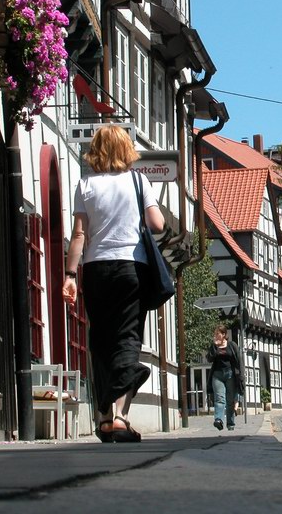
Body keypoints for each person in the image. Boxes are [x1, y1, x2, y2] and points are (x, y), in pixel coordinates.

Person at [62, 125, 165, 443]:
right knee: (128, 337)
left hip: (95, 269)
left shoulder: (85, 184)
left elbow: (79, 234)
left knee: (101, 339)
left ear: (96, 151)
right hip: (131, 267)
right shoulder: (138, 181)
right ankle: (121, 416)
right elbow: (157, 223)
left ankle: (105, 418)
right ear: (126, 151)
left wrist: (69, 275)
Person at [206, 324, 243, 431]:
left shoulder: (232, 345)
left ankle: (230, 423)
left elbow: (239, 361)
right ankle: (218, 420)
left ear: (223, 334)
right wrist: (214, 346)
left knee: (230, 400)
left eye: (217, 333)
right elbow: (209, 359)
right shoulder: (214, 346)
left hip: (230, 374)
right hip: (217, 375)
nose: (215, 336)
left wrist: (241, 376)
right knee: (219, 398)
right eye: (215, 334)